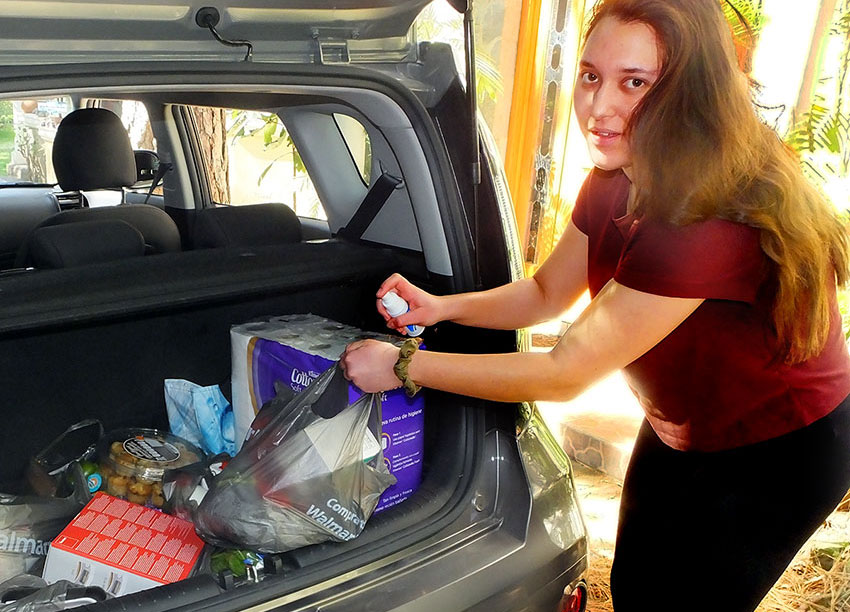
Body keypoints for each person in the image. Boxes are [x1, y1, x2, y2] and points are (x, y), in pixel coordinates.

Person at [340, 0, 850, 609]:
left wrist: (404, 367)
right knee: (637, 587)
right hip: (682, 421)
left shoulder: (704, 224)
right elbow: (544, 293)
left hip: (780, 444)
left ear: (692, 92)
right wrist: (439, 308)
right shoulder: (613, 178)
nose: (598, 107)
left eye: (634, 83)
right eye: (590, 76)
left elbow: (564, 374)